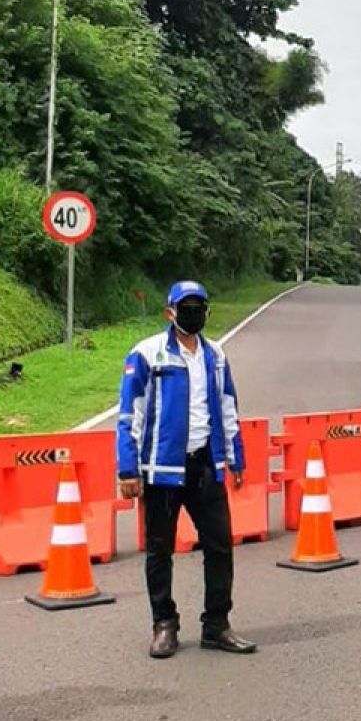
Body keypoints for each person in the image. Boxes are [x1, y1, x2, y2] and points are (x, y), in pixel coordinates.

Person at [117, 281, 256, 659]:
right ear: (170, 312)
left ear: (207, 312)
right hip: (161, 470)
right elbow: (130, 413)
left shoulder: (217, 356)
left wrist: (235, 458)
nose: (192, 313)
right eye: (185, 307)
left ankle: (217, 624)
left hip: (205, 464)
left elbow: (228, 409)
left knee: (219, 544)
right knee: (159, 550)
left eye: (199, 307)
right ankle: (164, 623)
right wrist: (127, 469)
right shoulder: (148, 354)